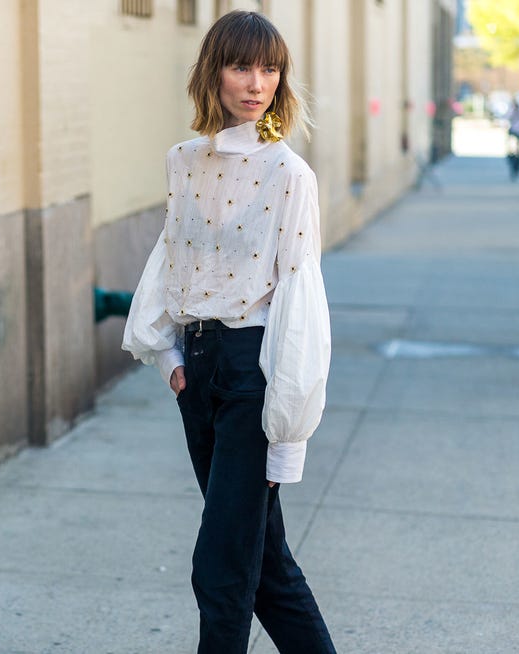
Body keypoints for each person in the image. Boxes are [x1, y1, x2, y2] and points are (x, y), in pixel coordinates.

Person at [122, 11, 336, 654]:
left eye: (270, 68)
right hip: (200, 370)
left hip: (254, 374)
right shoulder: (183, 162)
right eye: (242, 66)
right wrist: (165, 354)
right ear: (213, 71)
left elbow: (301, 297)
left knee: (220, 568)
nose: (257, 82)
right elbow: (173, 255)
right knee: (262, 564)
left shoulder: (290, 175)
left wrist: (286, 435)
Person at [506, 99, 519, 180]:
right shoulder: (512, 110)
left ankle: (517, 164)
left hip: (517, 131)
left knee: (517, 149)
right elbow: (507, 117)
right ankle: (513, 161)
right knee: (512, 149)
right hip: (513, 131)